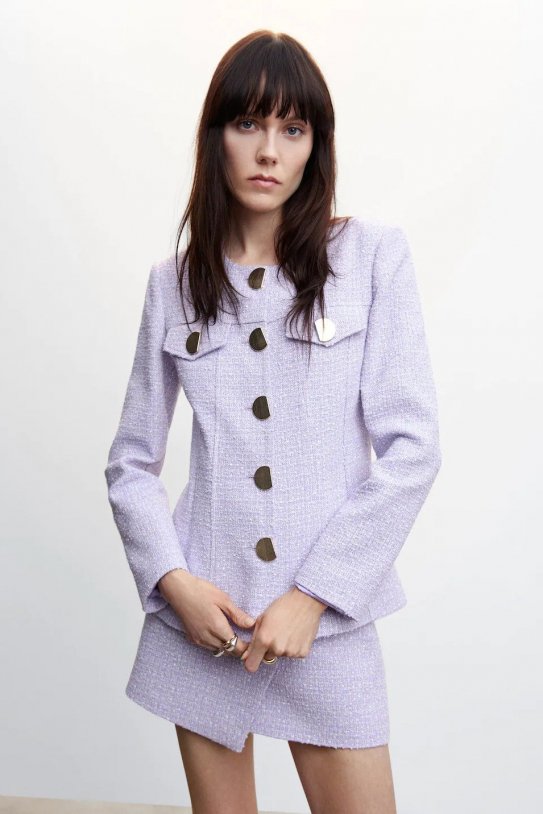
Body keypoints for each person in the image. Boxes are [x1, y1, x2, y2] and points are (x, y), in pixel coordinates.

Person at [104, 29, 441, 814]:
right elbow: (130, 463)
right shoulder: (172, 286)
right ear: (215, 137)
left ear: (315, 146)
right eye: (247, 123)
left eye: (293, 129)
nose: (268, 150)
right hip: (204, 626)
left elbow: (412, 449)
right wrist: (174, 584)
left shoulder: (369, 258)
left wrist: (314, 596)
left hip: (325, 624)